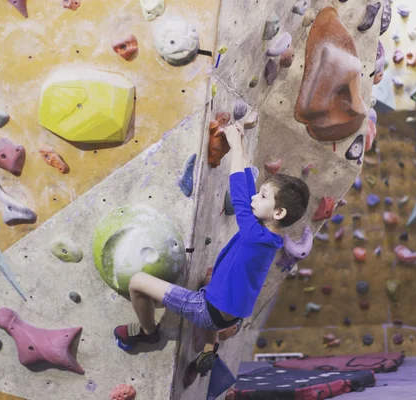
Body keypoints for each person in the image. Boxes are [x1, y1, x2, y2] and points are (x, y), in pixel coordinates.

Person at [113, 121, 310, 373]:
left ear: (279, 212)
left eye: (262, 197)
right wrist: (242, 143)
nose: (254, 197)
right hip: (230, 312)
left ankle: (148, 332)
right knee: (210, 278)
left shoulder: (253, 234)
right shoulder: (269, 237)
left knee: (137, 282)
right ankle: (209, 347)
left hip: (206, 310)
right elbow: (248, 189)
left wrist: (237, 146)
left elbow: (239, 192)